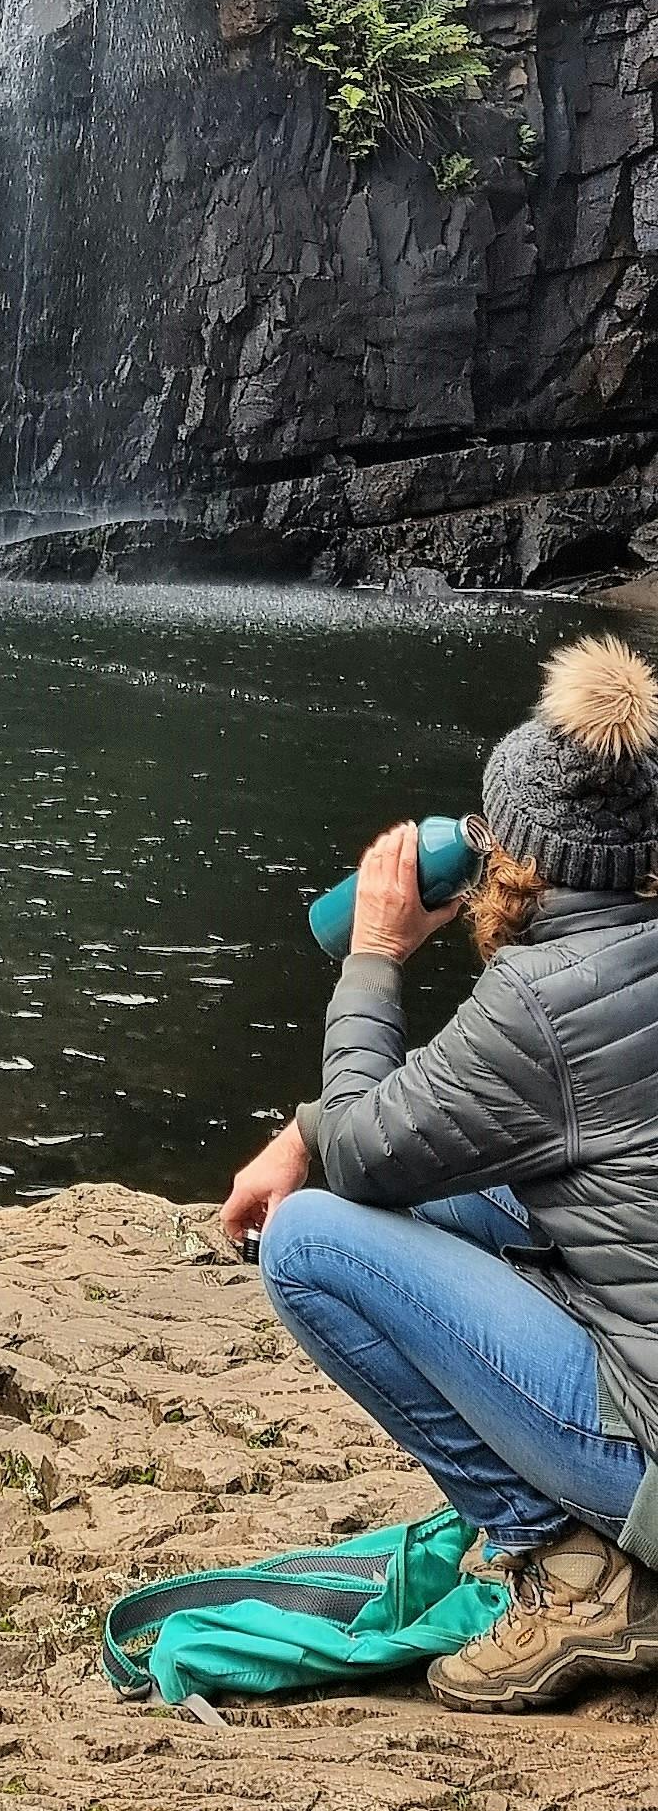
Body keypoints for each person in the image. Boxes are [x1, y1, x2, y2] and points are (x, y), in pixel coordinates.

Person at [220, 631, 658, 1712]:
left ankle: (568, 1569)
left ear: (521, 860)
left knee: (308, 1240)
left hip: (647, 1458)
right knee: (459, 1187)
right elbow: (425, 1130)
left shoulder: (544, 1000)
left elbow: (368, 1155)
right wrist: (309, 1129)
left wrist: (375, 954)